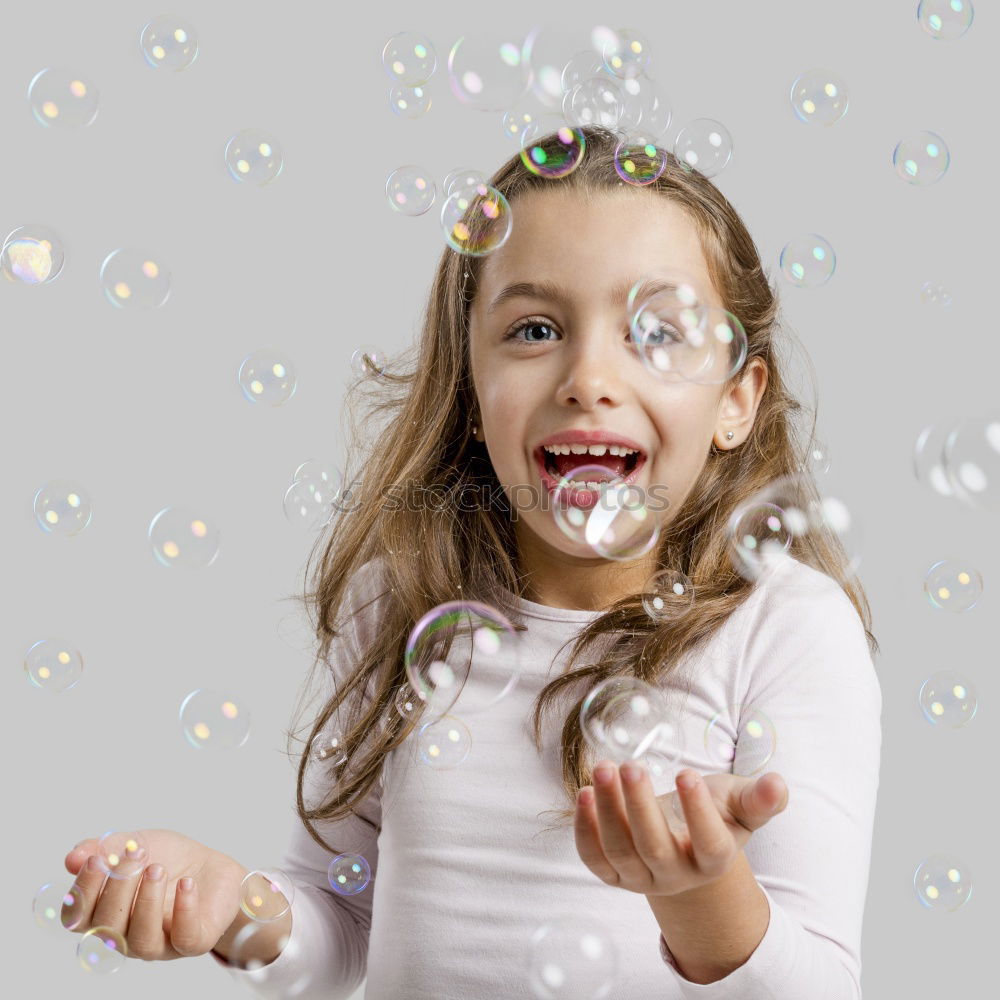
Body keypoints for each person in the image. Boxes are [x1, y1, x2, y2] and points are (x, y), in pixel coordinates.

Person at [62, 125, 881, 999]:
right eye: (534, 328)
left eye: (657, 333)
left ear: (736, 402)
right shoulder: (406, 601)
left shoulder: (784, 630)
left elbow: (820, 986)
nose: (587, 377)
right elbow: (345, 924)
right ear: (471, 387)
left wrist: (701, 898)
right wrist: (231, 907)